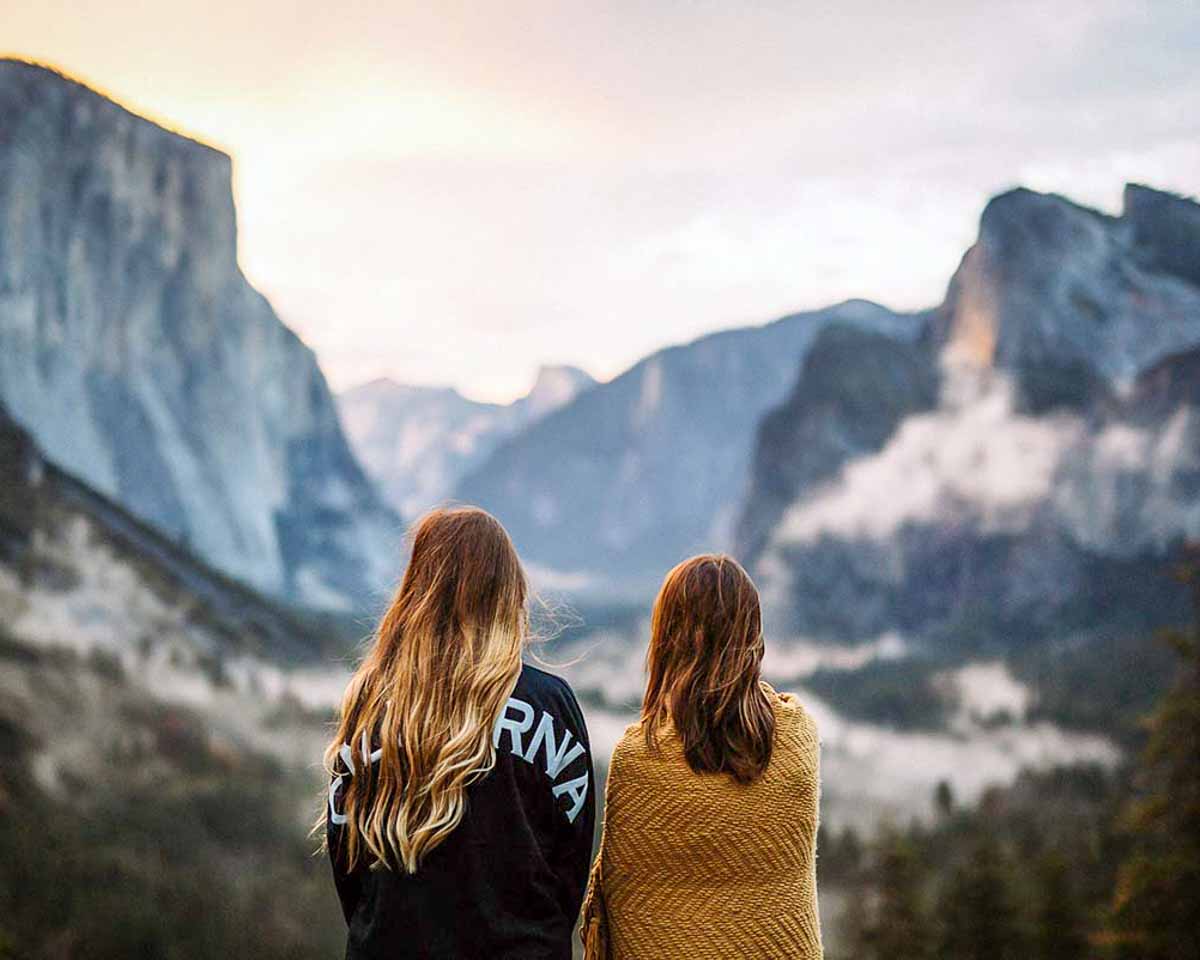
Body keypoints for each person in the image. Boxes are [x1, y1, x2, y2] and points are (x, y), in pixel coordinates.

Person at [323, 506, 595, 959]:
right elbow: (571, 865)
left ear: (416, 592)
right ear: (510, 594)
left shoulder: (369, 705)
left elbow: (347, 863)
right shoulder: (550, 704)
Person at [581, 554, 822, 959]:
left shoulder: (638, 759)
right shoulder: (797, 738)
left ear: (666, 640)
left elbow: (624, 905)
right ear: (753, 638)